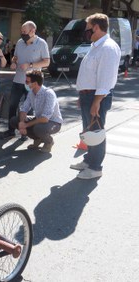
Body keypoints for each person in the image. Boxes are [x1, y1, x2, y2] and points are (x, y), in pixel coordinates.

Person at [70, 13, 121, 179]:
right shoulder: (96, 46)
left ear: (96, 28)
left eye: (88, 28)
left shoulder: (108, 47)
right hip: (88, 96)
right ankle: (89, 160)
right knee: (89, 130)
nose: (86, 31)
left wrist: (96, 101)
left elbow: (105, 79)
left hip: (96, 97)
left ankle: (95, 167)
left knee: (96, 132)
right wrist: (82, 94)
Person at [2, 21, 50, 140]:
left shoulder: (41, 43)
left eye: (24, 32)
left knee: (31, 107)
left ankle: (27, 132)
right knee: (13, 105)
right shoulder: (19, 42)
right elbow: (15, 57)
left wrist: (30, 65)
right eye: (21, 32)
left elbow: (47, 62)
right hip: (18, 80)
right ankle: (11, 130)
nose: (22, 34)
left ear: (32, 31)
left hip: (33, 83)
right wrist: (13, 62)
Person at [9, 70, 62, 153]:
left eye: (27, 81)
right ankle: (38, 139)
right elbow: (24, 109)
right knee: (14, 120)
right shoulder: (31, 93)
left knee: (38, 128)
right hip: (39, 120)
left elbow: (45, 119)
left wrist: (26, 125)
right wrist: (22, 123)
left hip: (54, 122)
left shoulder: (49, 94)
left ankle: (49, 142)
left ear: (35, 83)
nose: (25, 83)